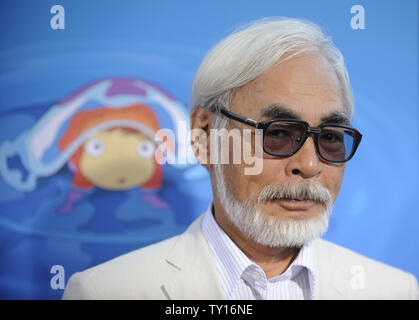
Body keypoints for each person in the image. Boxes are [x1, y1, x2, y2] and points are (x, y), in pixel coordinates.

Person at [62, 17, 419, 300]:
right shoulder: (107, 293)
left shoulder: (393, 291)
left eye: (329, 138)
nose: (310, 166)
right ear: (204, 137)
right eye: (278, 133)